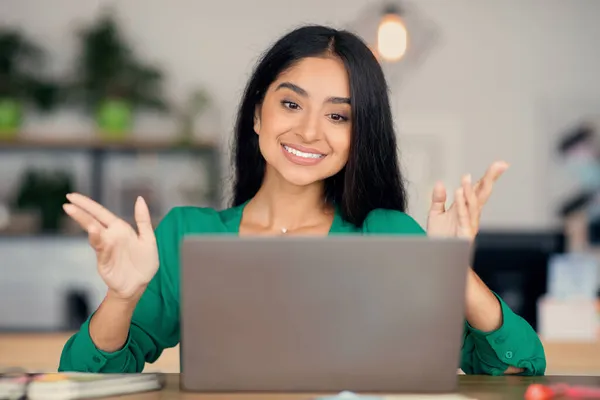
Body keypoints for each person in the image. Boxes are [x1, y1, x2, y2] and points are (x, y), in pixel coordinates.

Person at [58, 25, 545, 376]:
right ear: (257, 115)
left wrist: (454, 269)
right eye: (291, 104)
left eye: (339, 117)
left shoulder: (387, 235)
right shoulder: (189, 233)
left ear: (361, 137)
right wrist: (121, 298)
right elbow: (87, 374)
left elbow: (513, 368)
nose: (309, 131)